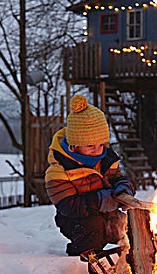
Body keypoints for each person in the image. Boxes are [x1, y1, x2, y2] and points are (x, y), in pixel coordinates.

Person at [45, 94, 136, 256]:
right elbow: (67, 206)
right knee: (94, 225)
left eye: (101, 144)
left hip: (109, 214)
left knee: (129, 227)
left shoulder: (106, 159)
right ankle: (82, 257)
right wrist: (101, 200)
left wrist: (124, 188)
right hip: (76, 220)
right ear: (74, 145)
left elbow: (117, 178)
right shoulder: (59, 170)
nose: (97, 150)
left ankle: (131, 258)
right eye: (90, 145)